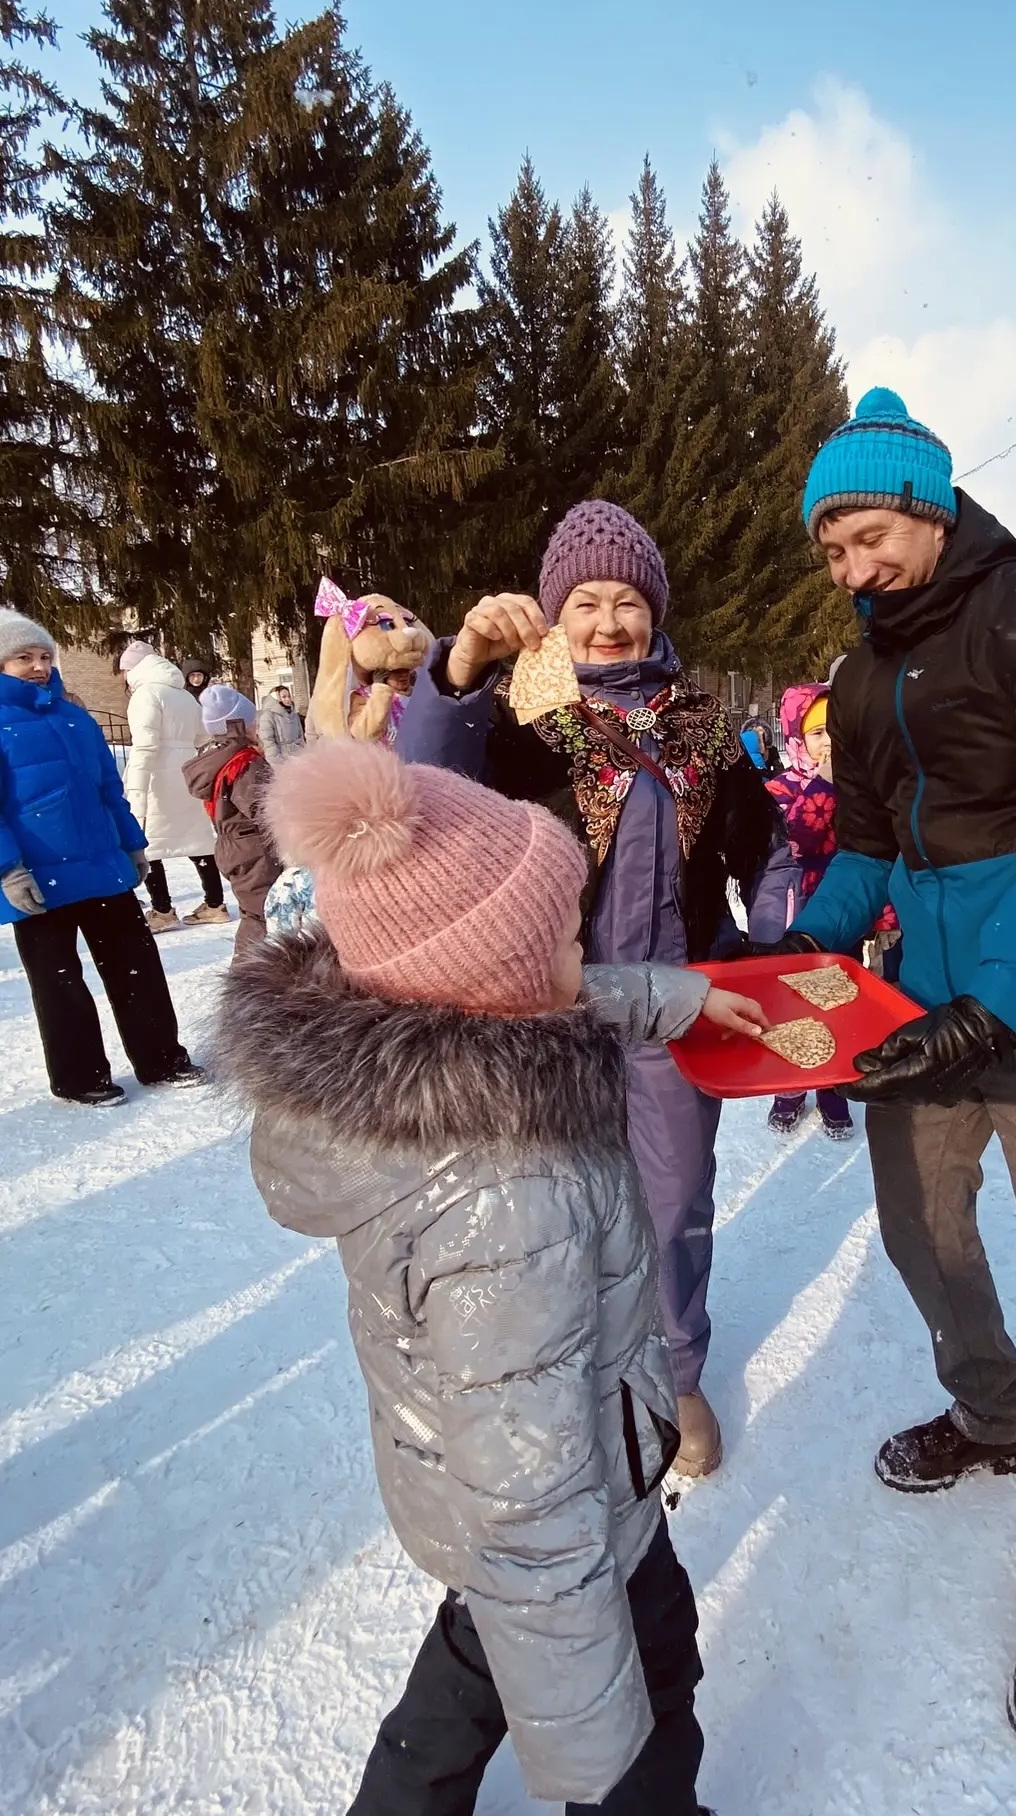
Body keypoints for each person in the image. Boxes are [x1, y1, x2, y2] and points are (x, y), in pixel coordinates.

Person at [217, 737, 753, 1813]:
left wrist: (672, 996)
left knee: (479, 1645)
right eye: (564, 935)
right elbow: (532, 1511)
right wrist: (603, 1768)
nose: (580, 951)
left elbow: (549, 992)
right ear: (494, 986)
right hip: (571, 1506)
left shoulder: (422, 1059)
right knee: (638, 1681)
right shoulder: (507, 1200)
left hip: (494, 1473)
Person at [741, 387, 1016, 1748]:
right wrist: (806, 949)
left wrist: (1000, 1003)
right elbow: (864, 843)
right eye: (831, 549)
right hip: (922, 1012)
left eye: (864, 534)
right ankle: (992, 1418)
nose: (849, 566)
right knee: (923, 1242)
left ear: (925, 505)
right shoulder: (862, 678)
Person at [397, 498, 795, 1480]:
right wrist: (453, 674)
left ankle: (677, 1372)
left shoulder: (695, 724)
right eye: (586, 600)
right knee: (544, 1206)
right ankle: (559, 1373)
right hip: (550, 1009)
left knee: (672, 1201)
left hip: (672, 1009)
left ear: (655, 610)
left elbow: (771, 850)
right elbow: (424, 784)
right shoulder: (520, 714)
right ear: (555, 611)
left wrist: (771, 952)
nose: (609, 620)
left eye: (628, 600)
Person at [0, 609, 204, 1106]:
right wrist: (7, 869)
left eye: (44, 656)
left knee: (138, 967)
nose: (37, 666)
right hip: (37, 876)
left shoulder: (74, 717)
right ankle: (79, 1076)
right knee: (60, 984)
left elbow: (109, 789)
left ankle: (161, 1058)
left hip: (102, 865)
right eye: (22, 657)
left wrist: (133, 844)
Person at [762, 681, 857, 1142]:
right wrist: (824, 783)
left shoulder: (858, 783)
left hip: (844, 906)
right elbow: (796, 837)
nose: (828, 742)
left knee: (837, 997)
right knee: (794, 1000)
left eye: (833, 730)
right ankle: (792, 1088)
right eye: (817, 732)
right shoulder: (780, 787)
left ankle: (833, 1087)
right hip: (797, 906)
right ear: (797, 737)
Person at [119, 640, 228, 931]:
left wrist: (135, 789)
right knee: (199, 840)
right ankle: (216, 904)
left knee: (152, 843)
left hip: (157, 775)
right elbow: (202, 735)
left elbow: (144, 745)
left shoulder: (146, 694)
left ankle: (163, 910)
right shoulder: (183, 696)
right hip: (187, 772)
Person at [184, 688, 281, 960]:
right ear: (236, 726)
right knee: (262, 915)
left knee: (256, 912)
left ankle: (256, 977)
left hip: (235, 846)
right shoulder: (244, 764)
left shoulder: (218, 757)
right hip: (255, 848)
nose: (257, 727)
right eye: (253, 722)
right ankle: (250, 978)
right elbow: (265, 807)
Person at [256, 681, 305, 763]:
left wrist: (302, 753)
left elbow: (300, 736)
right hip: (281, 760)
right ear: (276, 698)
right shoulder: (268, 716)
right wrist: (277, 760)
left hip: (297, 759)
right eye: (284, 697)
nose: (288, 699)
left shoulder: (294, 715)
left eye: (289, 696)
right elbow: (267, 741)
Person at [738, 700, 777, 772]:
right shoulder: (741, 752)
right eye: (755, 735)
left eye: (761, 735)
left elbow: (778, 770)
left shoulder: (772, 750)